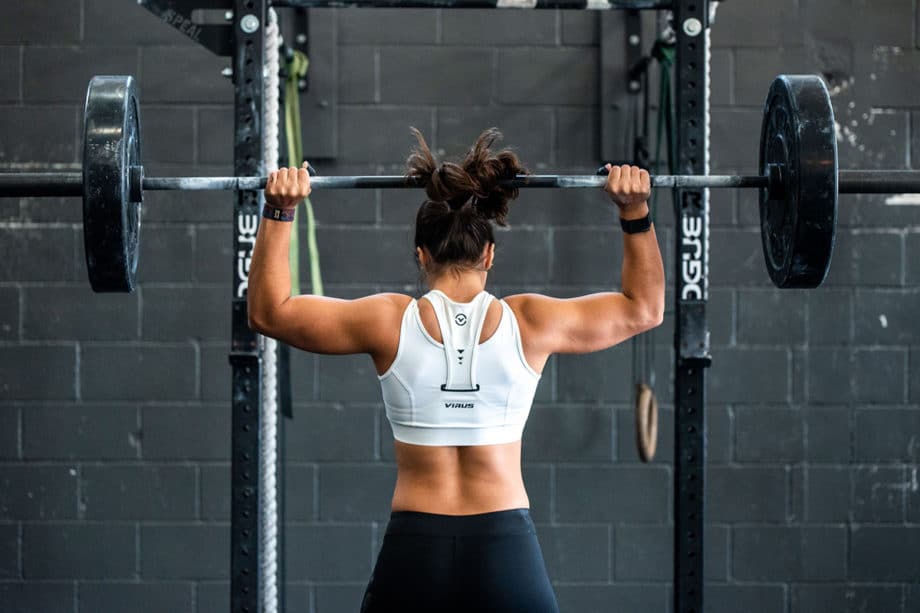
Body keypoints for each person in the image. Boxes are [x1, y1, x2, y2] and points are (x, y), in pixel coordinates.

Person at [248, 128, 665, 613]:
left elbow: (269, 312)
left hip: (415, 552)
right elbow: (644, 308)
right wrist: (634, 212)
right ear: (489, 253)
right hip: (506, 548)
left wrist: (280, 211)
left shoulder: (388, 321)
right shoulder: (530, 322)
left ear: (421, 254)